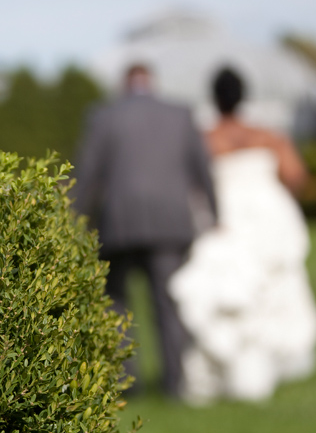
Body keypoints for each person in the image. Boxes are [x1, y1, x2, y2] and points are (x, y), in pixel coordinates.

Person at [168, 66, 316, 404]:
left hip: (222, 219)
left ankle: (232, 369)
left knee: (225, 288)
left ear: (214, 98)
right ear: (243, 96)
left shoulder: (204, 138)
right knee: (271, 287)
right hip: (267, 218)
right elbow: (296, 176)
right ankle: (259, 368)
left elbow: (188, 182)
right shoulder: (268, 137)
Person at [72, 63, 218, 398]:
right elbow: (202, 168)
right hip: (170, 225)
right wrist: (215, 213)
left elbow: (87, 173)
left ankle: (127, 383)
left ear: (125, 84)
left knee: (116, 304)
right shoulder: (180, 113)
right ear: (152, 82)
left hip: (119, 224)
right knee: (167, 305)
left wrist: (73, 218)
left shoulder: (104, 115)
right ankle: (174, 384)